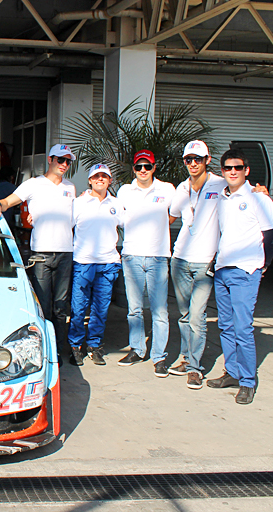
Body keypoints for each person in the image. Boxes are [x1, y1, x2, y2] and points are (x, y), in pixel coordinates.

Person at [0, 144, 76, 364]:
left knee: (61, 307)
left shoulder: (71, 187)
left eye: (68, 161)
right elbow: (10, 200)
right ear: (50, 159)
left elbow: (75, 217)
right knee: (43, 306)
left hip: (66, 253)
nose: (64, 165)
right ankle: (43, 350)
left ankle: (57, 351)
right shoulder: (34, 184)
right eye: (60, 160)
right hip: (41, 255)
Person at [206, 149, 273, 405]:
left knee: (243, 328)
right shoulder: (222, 198)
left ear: (246, 170)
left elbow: (271, 235)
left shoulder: (258, 198)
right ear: (223, 171)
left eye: (237, 167)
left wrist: (264, 264)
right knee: (225, 325)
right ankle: (232, 372)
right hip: (223, 269)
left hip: (246, 271)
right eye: (228, 168)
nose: (232, 172)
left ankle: (248, 381)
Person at [116, 150, 176, 377]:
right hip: (131, 255)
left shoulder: (167, 189)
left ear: (154, 167)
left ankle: (159, 357)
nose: (143, 170)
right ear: (133, 168)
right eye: (139, 166)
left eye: (147, 166)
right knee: (134, 310)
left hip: (158, 257)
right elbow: (115, 215)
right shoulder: (125, 191)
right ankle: (137, 349)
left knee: (160, 311)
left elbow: (179, 210)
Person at [67, 164, 123, 366]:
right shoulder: (78, 202)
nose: (100, 179)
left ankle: (94, 345)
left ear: (110, 181)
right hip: (84, 263)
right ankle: (75, 346)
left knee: (101, 309)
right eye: (96, 176)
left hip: (108, 264)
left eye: (104, 176)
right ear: (90, 180)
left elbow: (130, 225)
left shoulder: (116, 204)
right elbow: (64, 226)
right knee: (78, 308)